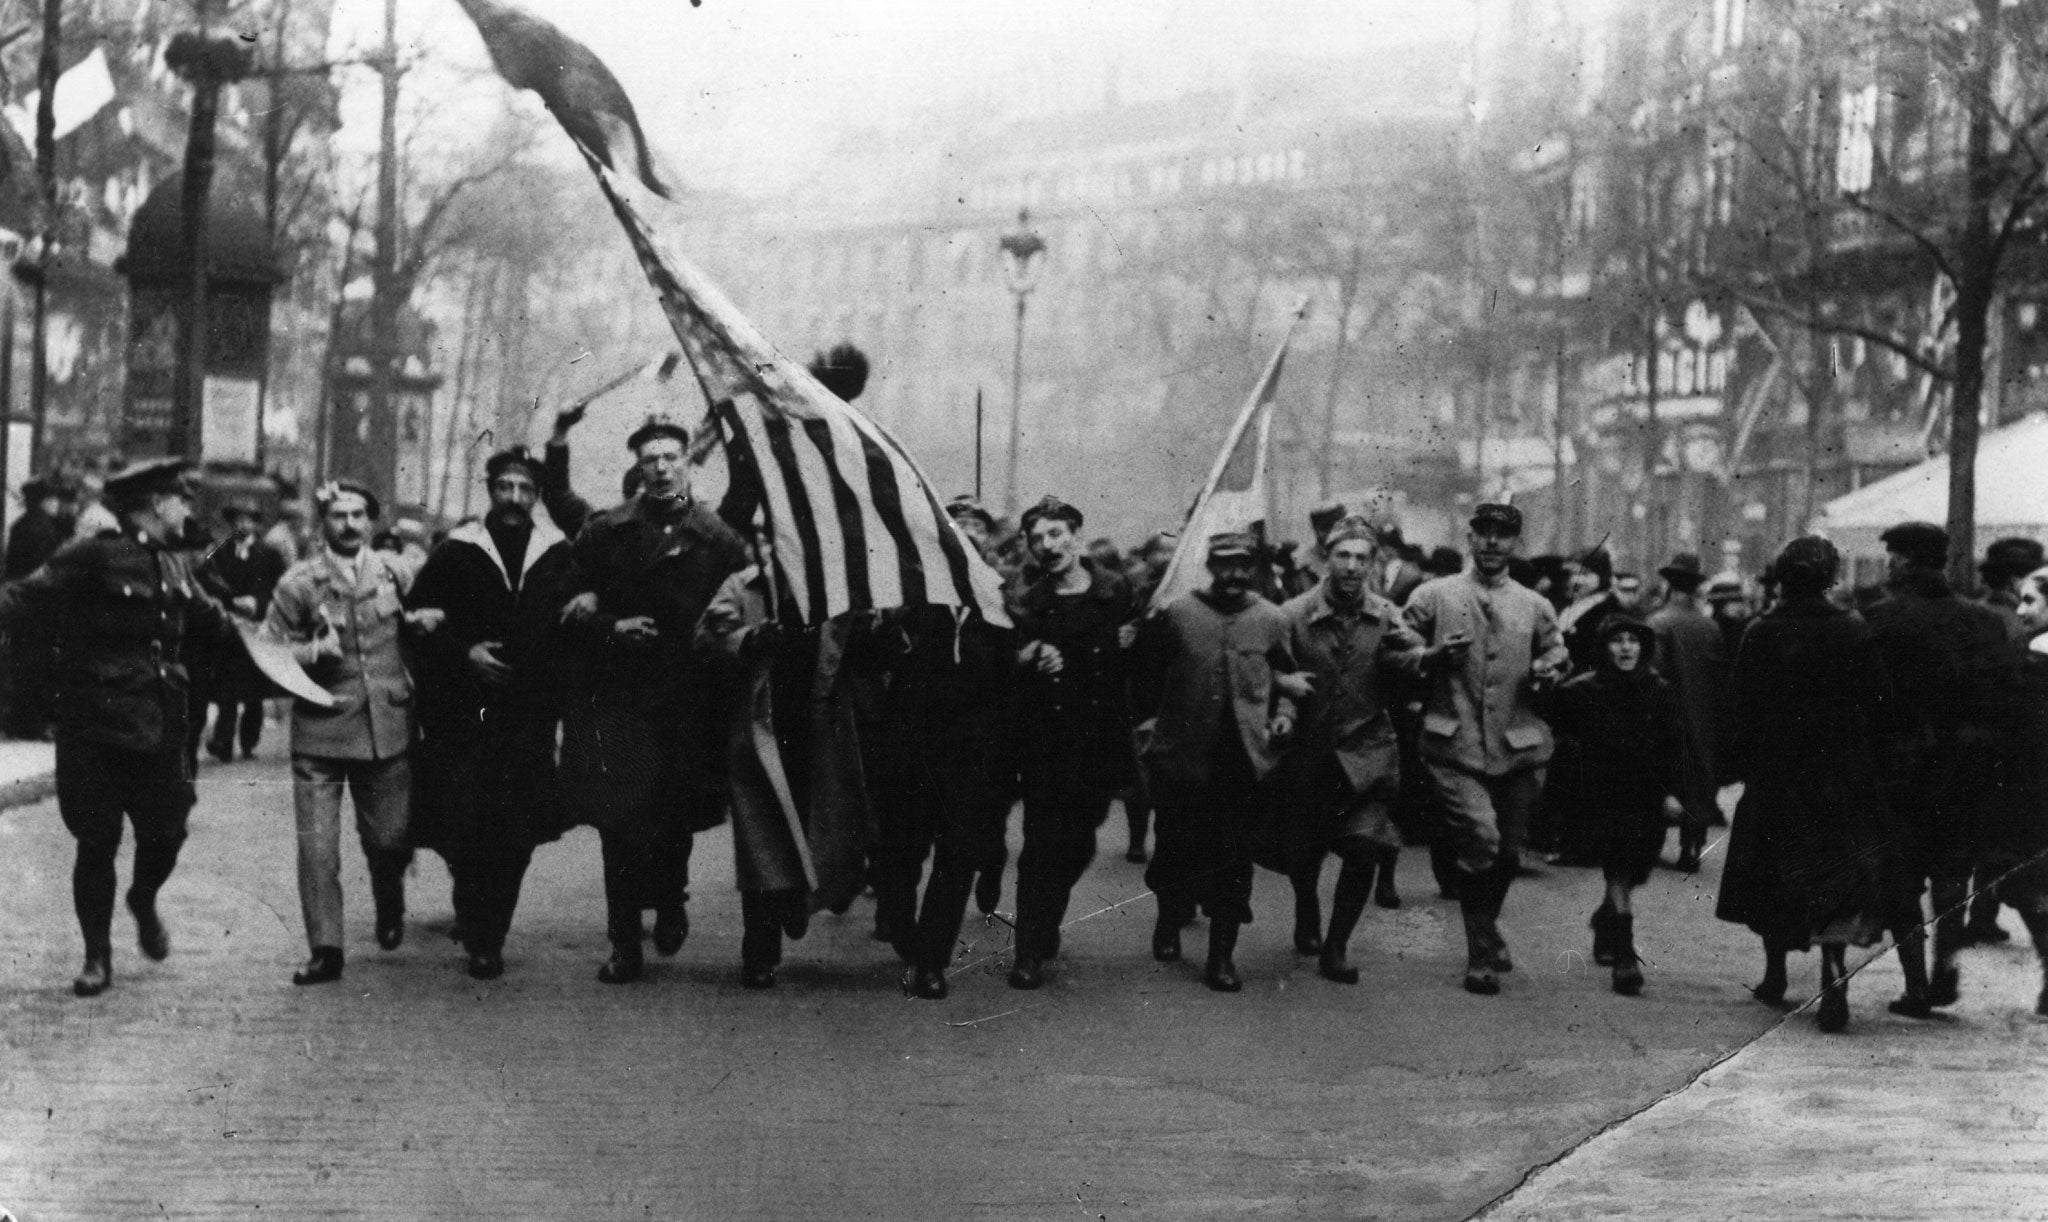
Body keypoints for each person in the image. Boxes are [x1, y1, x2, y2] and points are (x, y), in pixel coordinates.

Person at [0, 458, 239, 996]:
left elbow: (214, 623)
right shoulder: (94, 554)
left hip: (162, 725)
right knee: (96, 841)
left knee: (169, 830)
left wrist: (282, 650)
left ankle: (144, 897)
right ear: (157, 504)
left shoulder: (179, 563)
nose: (188, 508)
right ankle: (96, 957)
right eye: (181, 498)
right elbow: (24, 596)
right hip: (96, 723)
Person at [560, 414, 748, 984]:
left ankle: (670, 899)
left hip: (689, 703)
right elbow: (566, 603)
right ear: (638, 469)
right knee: (619, 820)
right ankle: (624, 944)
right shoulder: (604, 533)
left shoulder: (717, 538)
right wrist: (611, 624)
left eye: (672, 458)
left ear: (688, 462)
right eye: (651, 460)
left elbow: (744, 601)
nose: (662, 469)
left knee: (676, 818)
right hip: (621, 700)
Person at [405, 448, 577, 979]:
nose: (514, 499)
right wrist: (466, 653)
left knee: (518, 830)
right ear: (490, 489)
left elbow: (572, 625)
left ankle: (490, 934)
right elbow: (416, 621)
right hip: (466, 713)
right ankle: (474, 916)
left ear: (537, 496)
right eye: (505, 487)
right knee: (467, 823)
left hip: (528, 714)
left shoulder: (556, 554)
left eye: (525, 490)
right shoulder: (458, 551)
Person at [1715, 536, 1897, 1033]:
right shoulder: (1853, 629)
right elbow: (1879, 705)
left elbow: (1739, 708)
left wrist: (1744, 763)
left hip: (1778, 774)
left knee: (1773, 872)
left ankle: (1775, 974)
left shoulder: (1760, 632)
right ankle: (1833, 971)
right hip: (1839, 775)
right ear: (1830, 577)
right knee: (1833, 874)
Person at [1402, 502, 1568, 995]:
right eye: (1484, 533)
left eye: (1504, 535)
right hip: (1453, 744)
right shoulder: (1434, 595)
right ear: (1470, 538)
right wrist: (1429, 656)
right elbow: (1396, 645)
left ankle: (1487, 925)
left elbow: (1556, 650)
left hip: (1519, 745)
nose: (1493, 543)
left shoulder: (1534, 604)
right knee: (1480, 839)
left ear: (1516, 543)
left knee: (1510, 851)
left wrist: (1548, 671)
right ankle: (1479, 953)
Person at [264, 480, 423, 986]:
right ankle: (326, 951)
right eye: (339, 516)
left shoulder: (397, 573)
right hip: (321, 733)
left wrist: (426, 623)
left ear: (372, 523)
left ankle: (388, 890)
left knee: (391, 840)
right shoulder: (299, 583)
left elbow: (427, 624)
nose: (349, 525)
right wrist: (312, 654)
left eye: (359, 515)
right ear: (323, 523)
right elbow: (266, 655)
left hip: (386, 728)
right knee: (317, 850)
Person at [1133, 530, 1298, 992]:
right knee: (1173, 850)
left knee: (1234, 859)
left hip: (1240, 762)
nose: (1234, 574)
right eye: (1225, 564)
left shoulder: (1271, 618)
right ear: (1209, 565)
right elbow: (1145, 680)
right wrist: (1148, 729)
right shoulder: (1178, 614)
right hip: (1181, 759)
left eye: (1243, 564)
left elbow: (1287, 677)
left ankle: (1221, 958)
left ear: (1253, 568)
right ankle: (1169, 919)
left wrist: (1283, 715)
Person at [697, 559, 872, 990]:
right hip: (763, 730)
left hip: (822, 729)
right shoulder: (744, 584)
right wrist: (749, 638)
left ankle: (802, 898)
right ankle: (759, 951)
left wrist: (869, 628)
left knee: (823, 828)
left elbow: (872, 653)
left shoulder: (840, 585)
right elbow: (706, 638)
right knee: (761, 843)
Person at [1863, 521, 2013, 1017]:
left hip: (1898, 772)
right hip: (1965, 770)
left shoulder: (1879, 620)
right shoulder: (1984, 623)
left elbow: (1867, 702)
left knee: (1901, 882)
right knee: (1953, 875)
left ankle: (1915, 986)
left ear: (1905, 562)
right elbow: (2002, 702)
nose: (1888, 567)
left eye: (1893, 558)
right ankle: (1945, 967)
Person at [1274, 515, 1426, 983]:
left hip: (1366, 757)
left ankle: (1337, 946)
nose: (1352, 566)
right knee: (1304, 854)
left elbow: (1409, 659)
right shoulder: (1292, 615)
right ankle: (1306, 906)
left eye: (1362, 558)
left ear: (1373, 564)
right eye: (1344, 555)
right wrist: (1283, 700)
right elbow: (1274, 669)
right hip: (1306, 758)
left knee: (1363, 851)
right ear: (1326, 558)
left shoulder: (1385, 615)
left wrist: (1422, 658)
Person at [1007, 496, 1135, 991]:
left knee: (1080, 841)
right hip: (1046, 738)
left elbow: (1143, 657)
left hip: (1099, 738)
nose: (1047, 546)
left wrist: (1135, 641)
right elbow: (1006, 660)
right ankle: (1028, 948)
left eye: (1056, 534)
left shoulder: (1115, 591)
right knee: (1039, 844)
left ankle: (1048, 913)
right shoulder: (1028, 601)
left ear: (1077, 535)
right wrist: (1029, 656)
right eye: (1037, 539)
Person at [859, 600, 1014, 998]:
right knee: (900, 855)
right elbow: (871, 663)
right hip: (912, 756)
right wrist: (885, 633)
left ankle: (931, 960)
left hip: (972, 760)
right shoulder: (912, 615)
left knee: (958, 856)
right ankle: (901, 925)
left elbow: (1010, 685)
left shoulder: (998, 618)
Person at [1546, 617, 1683, 995]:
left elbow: (1674, 747)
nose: (1626, 648)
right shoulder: (1582, 690)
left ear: (1643, 647)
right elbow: (1560, 734)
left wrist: (1673, 793)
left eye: (1633, 641)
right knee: (1619, 869)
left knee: (1637, 871)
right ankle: (1624, 956)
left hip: (1646, 796)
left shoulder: (1660, 690)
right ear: (1604, 648)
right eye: (1617, 641)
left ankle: (1605, 919)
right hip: (1603, 795)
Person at [1981, 566, 2048, 1017]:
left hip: (2031, 792)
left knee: (2025, 883)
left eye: (2029, 600)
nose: (2021, 609)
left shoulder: (2035, 658)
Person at [1646, 552, 1731, 872]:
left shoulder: (1658, 622)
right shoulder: (1709, 626)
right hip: (1704, 718)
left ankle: (1653, 844)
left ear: (1669, 585)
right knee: (1698, 781)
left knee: (1663, 776)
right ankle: (1691, 847)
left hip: (1668, 714)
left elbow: (1653, 672)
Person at [197, 499, 286, 761]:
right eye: (238, 521)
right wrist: (229, 604)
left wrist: (257, 603)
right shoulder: (219, 554)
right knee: (227, 689)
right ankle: (223, 742)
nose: (243, 526)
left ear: (257, 525)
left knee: (255, 692)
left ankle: (249, 741)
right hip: (228, 630)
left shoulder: (270, 555)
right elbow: (208, 584)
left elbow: (280, 591)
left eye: (249, 521)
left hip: (258, 630)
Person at [4, 474, 76, 739]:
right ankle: (34, 723)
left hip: (20, 604)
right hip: (42, 607)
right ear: (46, 500)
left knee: (23, 663)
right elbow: (50, 570)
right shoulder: (46, 529)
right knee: (40, 665)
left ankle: (21, 721)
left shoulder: (21, 524)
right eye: (53, 498)